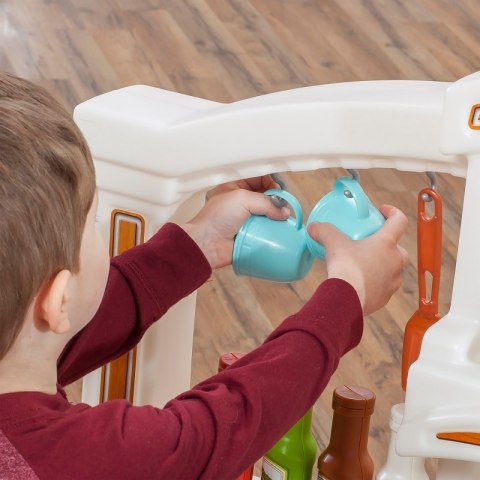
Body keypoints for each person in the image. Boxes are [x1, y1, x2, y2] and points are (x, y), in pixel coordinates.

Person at [0, 71, 408, 480]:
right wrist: (347, 295)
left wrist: (199, 242)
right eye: (92, 223)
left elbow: (67, 331)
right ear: (58, 299)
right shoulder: (85, 460)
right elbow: (224, 426)